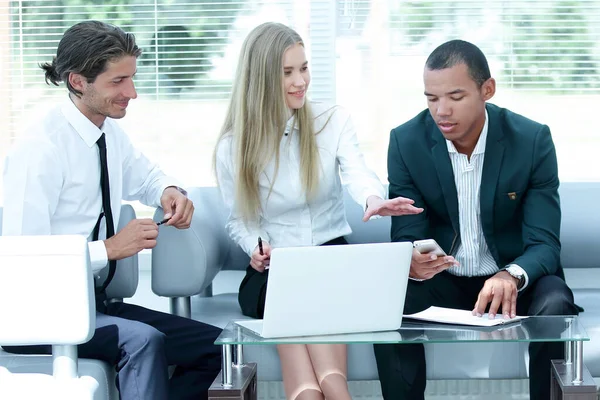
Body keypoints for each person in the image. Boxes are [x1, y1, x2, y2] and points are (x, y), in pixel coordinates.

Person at [1, 21, 222, 400]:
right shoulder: (40, 151)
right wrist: (110, 249)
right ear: (77, 81)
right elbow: (23, 267)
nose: (132, 93)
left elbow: (148, 176)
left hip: (93, 304)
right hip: (41, 314)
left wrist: (169, 191)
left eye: (131, 79)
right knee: (142, 341)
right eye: (118, 82)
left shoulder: (108, 133)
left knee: (217, 346)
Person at [214, 22, 422, 400]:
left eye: (304, 68)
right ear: (261, 78)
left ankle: (320, 391)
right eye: (288, 72)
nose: (300, 81)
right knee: (297, 302)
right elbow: (239, 220)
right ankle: (332, 390)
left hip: (331, 261)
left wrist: (375, 200)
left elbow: (359, 173)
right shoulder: (233, 145)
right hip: (276, 269)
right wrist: (255, 249)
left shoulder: (332, 121)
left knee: (311, 317)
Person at [374, 39, 579, 400]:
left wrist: (510, 275)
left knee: (556, 302)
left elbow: (545, 244)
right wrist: (412, 259)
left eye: (455, 97)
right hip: (444, 280)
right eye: (431, 98)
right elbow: (407, 233)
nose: (441, 111)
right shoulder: (407, 142)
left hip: (513, 282)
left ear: (487, 90)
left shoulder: (531, 140)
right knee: (386, 299)